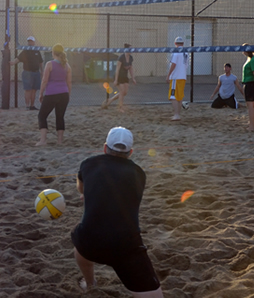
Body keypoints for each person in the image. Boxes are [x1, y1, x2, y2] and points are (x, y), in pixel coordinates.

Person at [71, 127, 163, 297]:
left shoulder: (88, 164)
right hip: (126, 245)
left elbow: (81, 188)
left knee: (80, 244)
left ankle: (90, 283)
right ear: (131, 153)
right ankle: (91, 283)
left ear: (105, 148)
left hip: (90, 241)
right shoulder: (138, 173)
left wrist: (86, 193)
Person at [37, 44, 72, 146]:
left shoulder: (49, 64)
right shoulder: (67, 66)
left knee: (42, 115)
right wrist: (68, 95)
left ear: (53, 53)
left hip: (52, 93)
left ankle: (43, 140)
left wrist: (41, 93)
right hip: (64, 94)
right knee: (60, 117)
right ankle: (60, 141)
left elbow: (44, 81)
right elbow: (69, 82)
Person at [10, 36, 44, 110]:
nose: (30, 43)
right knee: (28, 89)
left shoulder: (37, 51)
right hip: (27, 73)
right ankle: (27, 106)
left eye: (31, 41)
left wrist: (42, 71)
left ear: (34, 42)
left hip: (36, 73)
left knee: (34, 90)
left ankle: (32, 105)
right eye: (29, 41)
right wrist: (13, 63)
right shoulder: (25, 51)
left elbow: (40, 62)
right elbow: (18, 59)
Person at [102, 43, 137, 112]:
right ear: (126, 50)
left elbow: (130, 68)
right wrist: (116, 80)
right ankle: (120, 107)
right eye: (130, 49)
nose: (131, 50)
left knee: (125, 92)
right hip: (119, 77)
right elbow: (117, 69)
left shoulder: (130, 58)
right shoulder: (121, 58)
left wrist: (133, 78)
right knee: (121, 91)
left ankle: (110, 100)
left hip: (125, 77)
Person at [166, 36, 189, 121]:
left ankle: (176, 115)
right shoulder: (186, 53)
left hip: (176, 77)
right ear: (183, 43)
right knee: (179, 97)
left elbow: (173, 64)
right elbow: (186, 65)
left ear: (175, 43)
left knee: (173, 96)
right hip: (183, 77)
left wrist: (168, 75)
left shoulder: (176, 52)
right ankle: (178, 115)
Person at [241, 45, 254, 130]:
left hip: (250, 84)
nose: (242, 52)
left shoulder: (253, 60)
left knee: (251, 105)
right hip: (249, 84)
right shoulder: (250, 59)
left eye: (244, 50)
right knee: (253, 105)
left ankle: (252, 126)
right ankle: (252, 124)